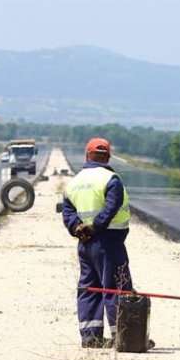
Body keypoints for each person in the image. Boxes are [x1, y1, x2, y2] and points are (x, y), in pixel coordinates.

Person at [62, 137, 132, 347]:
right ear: (108, 156)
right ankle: (124, 336)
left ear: (87, 155)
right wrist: (96, 226)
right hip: (109, 242)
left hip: (85, 244)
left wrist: (77, 228)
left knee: (89, 287)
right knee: (116, 287)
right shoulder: (111, 179)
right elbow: (111, 207)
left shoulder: (73, 183)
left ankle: (91, 337)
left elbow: (67, 212)